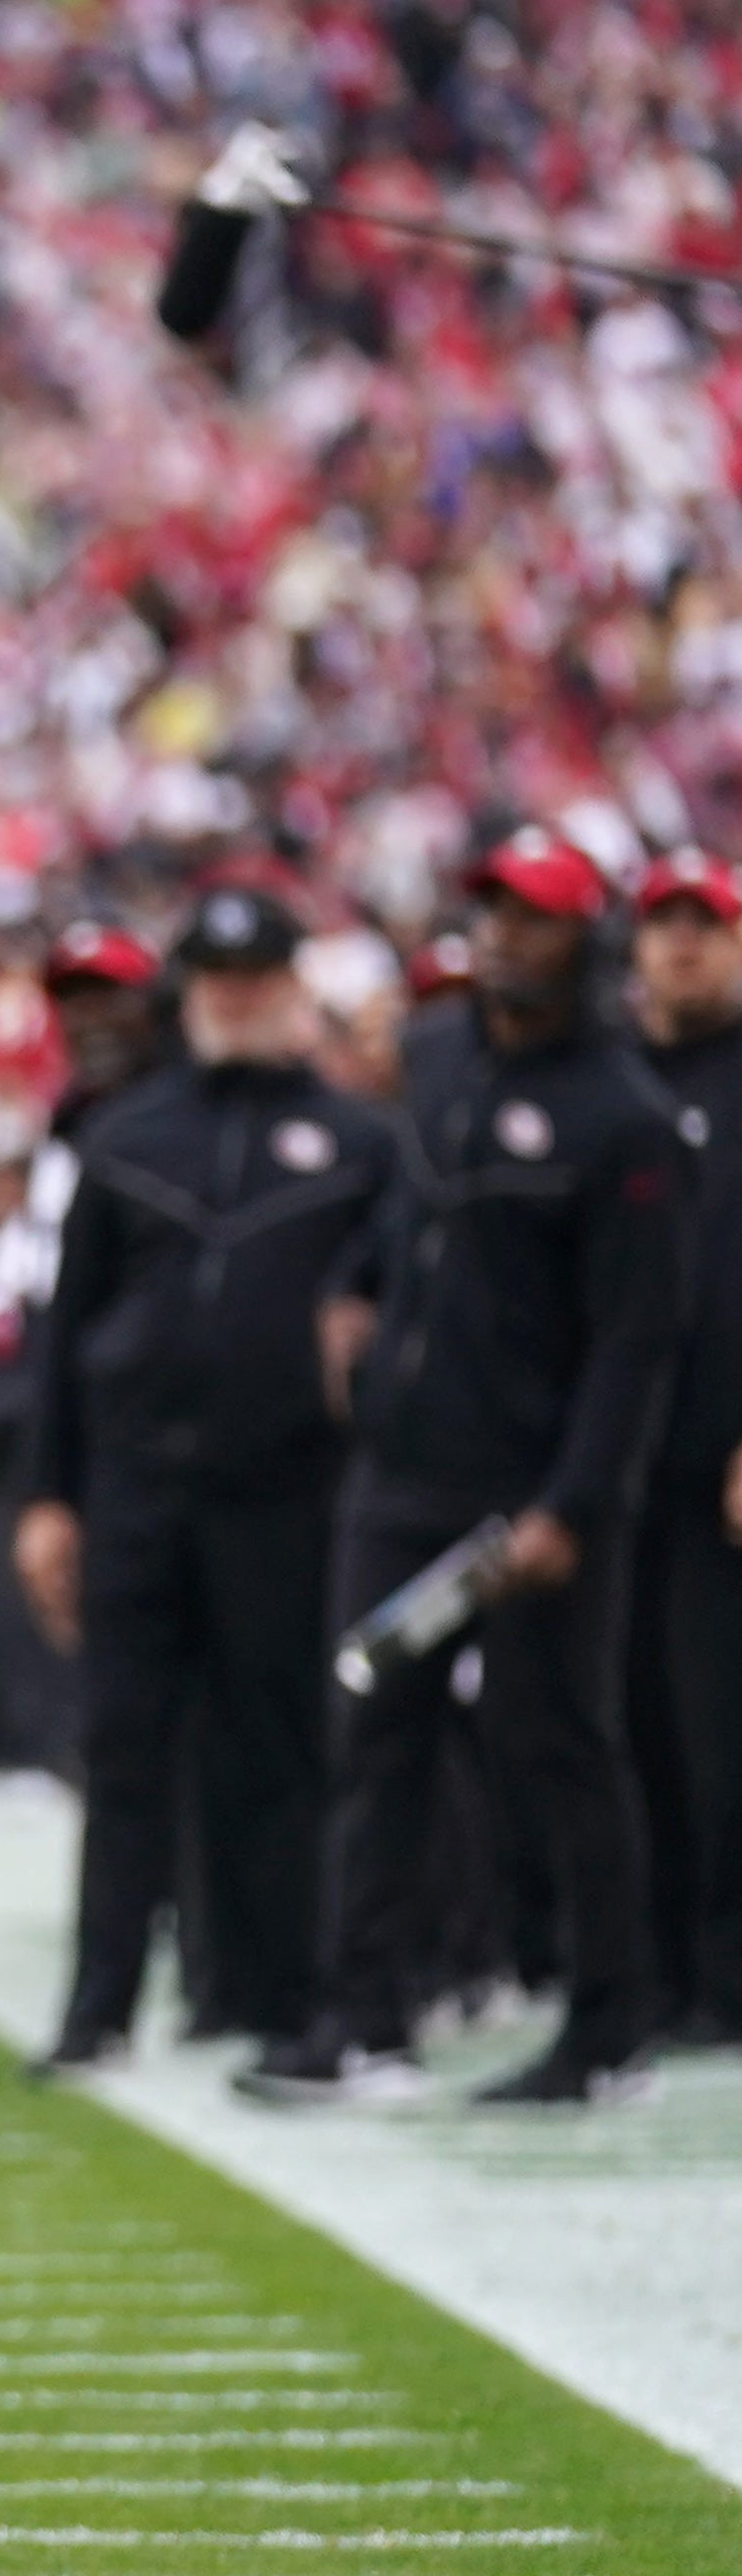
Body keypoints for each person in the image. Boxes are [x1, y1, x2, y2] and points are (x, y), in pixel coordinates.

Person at [256, 829, 689, 2112]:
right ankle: (361, 2014)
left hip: (531, 1487)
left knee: (560, 1743)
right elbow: (406, 1214)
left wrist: (571, 1501)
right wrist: (352, 1292)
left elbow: (635, 1338)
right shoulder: (439, 1054)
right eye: (492, 908)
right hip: (404, 1464)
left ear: (584, 937)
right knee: (372, 1730)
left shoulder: (626, 1114)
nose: (503, 933)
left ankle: (606, 2027)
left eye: (535, 916)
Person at [12, 885, 396, 2074]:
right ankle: (98, 2002)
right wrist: (46, 1496)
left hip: (282, 1486)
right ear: (188, 993)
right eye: (217, 978)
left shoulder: (355, 1141)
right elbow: (64, 1329)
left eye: (256, 975)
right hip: (136, 1483)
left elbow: (392, 1313)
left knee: (270, 1744)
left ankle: (269, 1994)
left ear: (291, 987)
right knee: (121, 1745)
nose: (235, 996)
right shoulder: (123, 1136)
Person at [0, 924, 173, 1785]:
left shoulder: (175, 1111)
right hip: (100, 1435)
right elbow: (58, 1312)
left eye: (107, 997)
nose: (89, 1020)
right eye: (72, 1001)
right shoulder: (73, 1124)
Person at [622, 847, 742, 2047]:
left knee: (717, 1736)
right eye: (661, 923)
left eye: (703, 923)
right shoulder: (609, 1081)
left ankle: (721, 1978)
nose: (682, 944)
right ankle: (646, 1968)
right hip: (615, 1464)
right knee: (630, 1728)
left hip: (722, 1467)